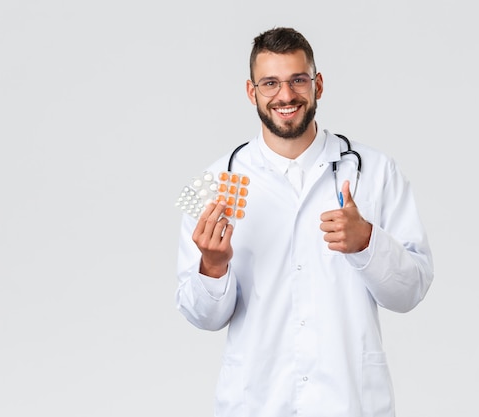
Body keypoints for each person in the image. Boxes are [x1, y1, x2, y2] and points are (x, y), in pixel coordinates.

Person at [176, 27, 434, 417]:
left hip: (349, 401)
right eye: (270, 83)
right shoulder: (210, 185)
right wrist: (212, 266)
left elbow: (411, 291)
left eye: (298, 79)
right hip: (255, 403)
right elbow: (200, 317)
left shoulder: (376, 172)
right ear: (251, 92)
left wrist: (367, 242)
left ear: (318, 85)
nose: (286, 95)